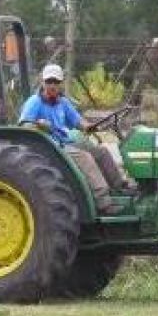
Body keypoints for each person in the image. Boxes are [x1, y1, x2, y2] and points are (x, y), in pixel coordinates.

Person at [18, 63, 133, 215]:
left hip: (64, 141)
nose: (52, 85)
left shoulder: (62, 102)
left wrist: (89, 127)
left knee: (101, 152)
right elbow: (24, 126)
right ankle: (104, 202)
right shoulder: (34, 102)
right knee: (85, 157)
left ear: (61, 83)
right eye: (49, 81)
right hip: (49, 146)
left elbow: (78, 121)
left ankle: (120, 187)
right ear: (43, 82)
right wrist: (39, 125)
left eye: (56, 82)